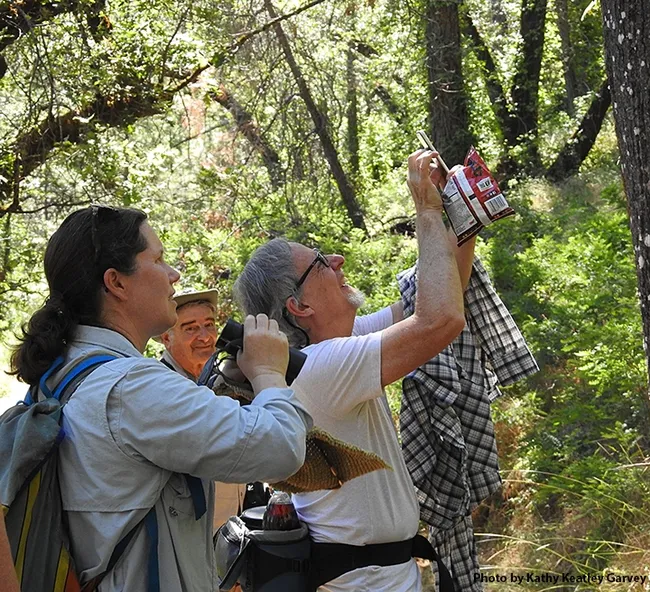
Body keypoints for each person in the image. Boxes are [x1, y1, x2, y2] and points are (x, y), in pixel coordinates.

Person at [10, 205, 312, 592]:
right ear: (116, 283)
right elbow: (280, 447)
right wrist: (270, 371)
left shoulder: (64, 375)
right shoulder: (128, 388)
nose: (174, 275)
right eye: (159, 259)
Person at [233, 149, 472, 592]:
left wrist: (462, 211)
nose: (339, 260)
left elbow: (444, 295)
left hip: (374, 574)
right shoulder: (321, 368)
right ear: (300, 307)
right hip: (366, 582)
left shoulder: (326, 349)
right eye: (322, 261)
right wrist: (424, 209)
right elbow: (440, 321)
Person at [157, 289, 266, 531]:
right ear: (166, 338)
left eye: (209, 325)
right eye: (191, 328)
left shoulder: (225, 379)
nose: (205, 337)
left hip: (225, 527)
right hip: (184, 531)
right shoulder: (162, 388)